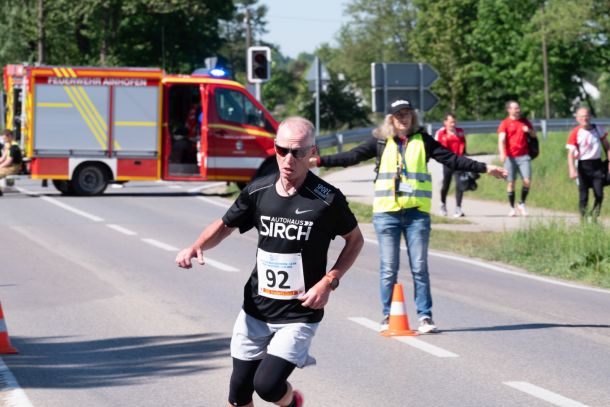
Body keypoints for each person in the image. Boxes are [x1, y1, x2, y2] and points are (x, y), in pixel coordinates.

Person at [176, 116, 363, 407]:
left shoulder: (327, 199)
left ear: (312, 152)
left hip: (299, 313)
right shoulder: (258, 191)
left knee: (267, 385)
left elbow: (355, 240)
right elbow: (225, 225)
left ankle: (291, 402)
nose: (288, 159)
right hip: (255, 310)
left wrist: (329, 281)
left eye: (298, 152)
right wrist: (197, 246)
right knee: (238, 395)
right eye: (282, 150)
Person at [310, 99, 507, 334]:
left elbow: (453, 159)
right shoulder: (380, 141)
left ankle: (425, 316)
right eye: (398, 115)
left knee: (419, 268)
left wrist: (486, 168)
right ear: (391, 119)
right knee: (388, 268)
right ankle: (388, 315)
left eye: (407, 114)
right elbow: (351, 157)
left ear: (413, 117)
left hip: (416, 215)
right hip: (387, 214)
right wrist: (318, 160)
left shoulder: (423, 140)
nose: (403, 118)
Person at [566, 106, 610, 219]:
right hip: (583, 166)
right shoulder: (576, 132)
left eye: (586, 116)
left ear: (590, 116)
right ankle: (583, 219)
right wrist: (572, 169)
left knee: (599, 194)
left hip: (597, 165)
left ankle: (595, 216)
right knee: (583, 195)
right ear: (577, 118)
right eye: (581, 117)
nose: (584, 119)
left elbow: (607, 146)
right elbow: (570, 154)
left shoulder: (598, 129)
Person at [497, 100, 537, 217]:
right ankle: (511, 208)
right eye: (515, 108)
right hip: (510, 157)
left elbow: (534, 135)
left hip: (524, 156)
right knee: (511, 182)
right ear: (509, 110)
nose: (518, 110)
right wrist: (502, 153)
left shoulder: (525, 122)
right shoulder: (505, 123)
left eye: (518, 108)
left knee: (527, 181)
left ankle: (521, 204)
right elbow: (501, 139)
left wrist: (528, 130)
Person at [435, 113, 467, 217]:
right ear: (445, 122)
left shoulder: (460, 132)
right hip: (447, 162)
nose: (453, 124)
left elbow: (464, 145)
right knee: (446, 185)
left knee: (460, 184)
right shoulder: (441, 133)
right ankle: (442, 204)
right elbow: (437, 148)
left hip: (459, 161)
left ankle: (458, 208)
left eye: (454, 122)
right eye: (451, 122)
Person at [0, 129, 23, 196]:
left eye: (5, 138)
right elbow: (3, 158)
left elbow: (9, 161)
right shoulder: (8, 145)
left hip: (14, 167)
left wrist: (0, 166)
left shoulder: (14, 146)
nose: (4, 140)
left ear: (9, 136)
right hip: (9, 166)